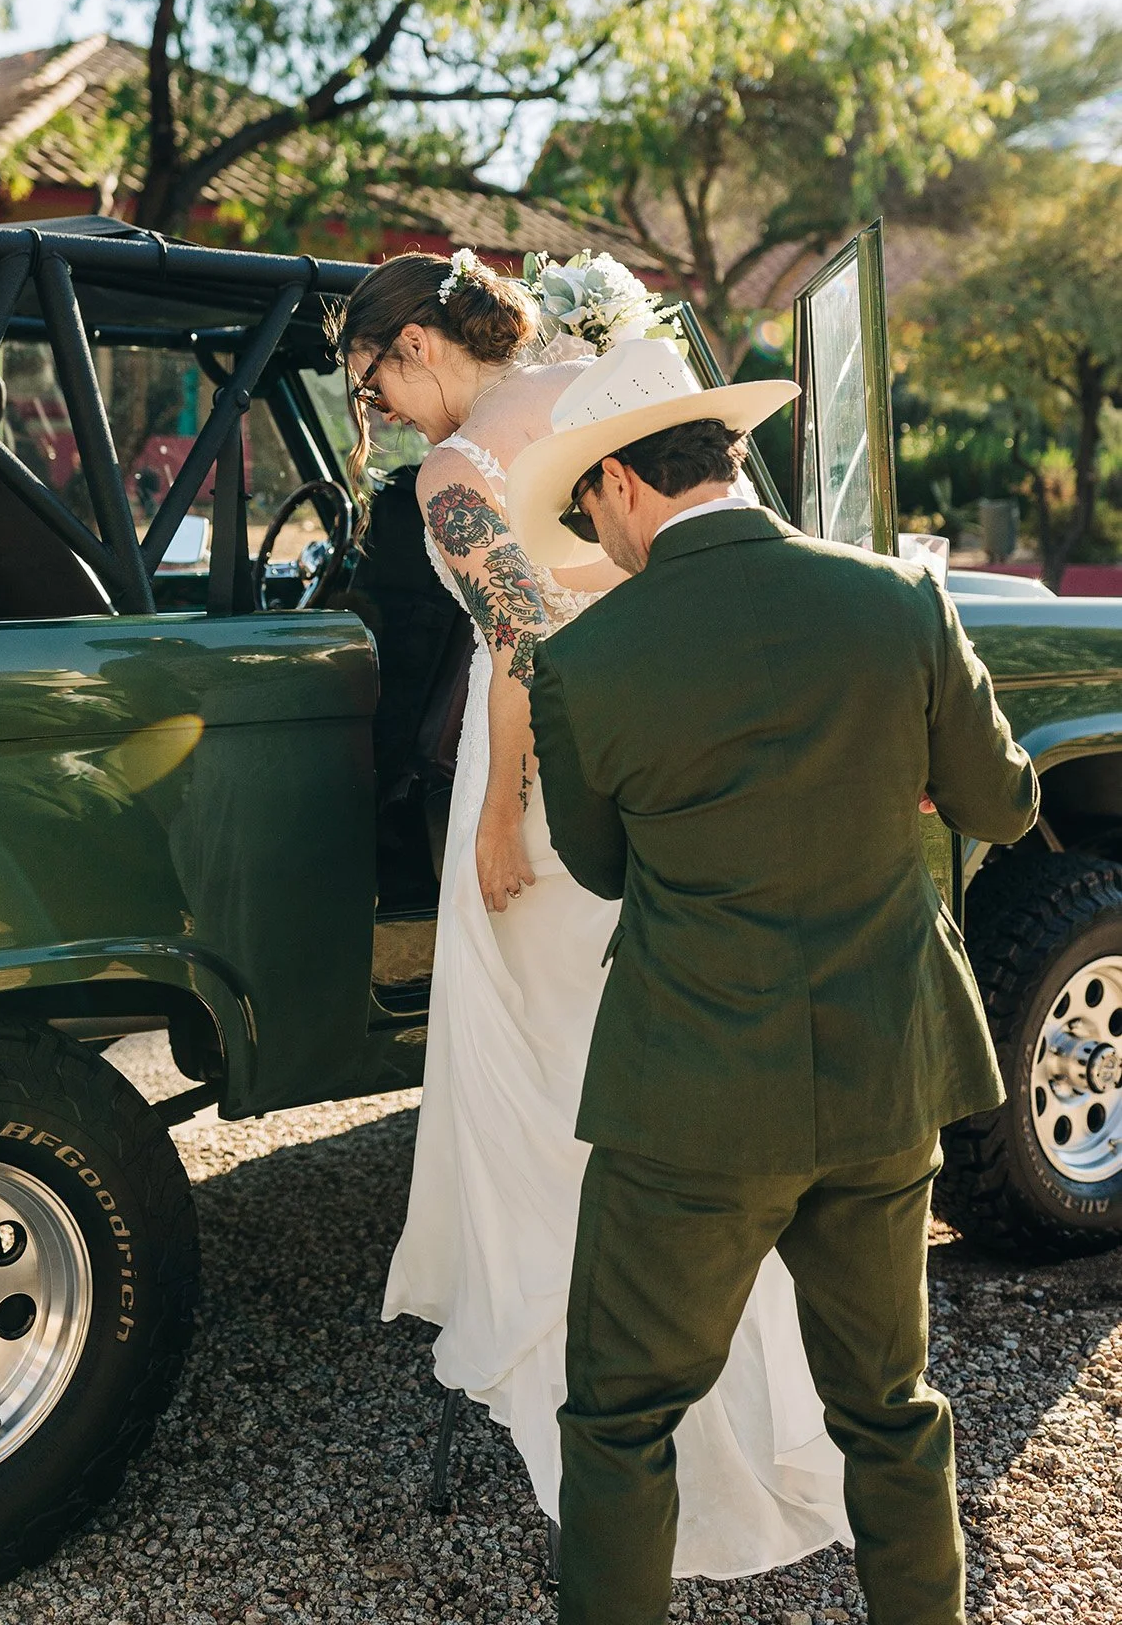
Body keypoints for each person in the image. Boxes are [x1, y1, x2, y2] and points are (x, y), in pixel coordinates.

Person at [504, 336, 1041, 1625]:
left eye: (591, 509)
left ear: (627, 484)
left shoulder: (585, 663)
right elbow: (1005, 805)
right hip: (883, 1079)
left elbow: (599, 864)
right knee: (892, 1406)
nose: (598, 537)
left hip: (691, 1101)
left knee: (623, 1415)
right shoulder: (902, 600)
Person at [334, 249, 854, 1581]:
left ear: (420, 346)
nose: (380, 411)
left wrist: (504, 810)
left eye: (373, 380)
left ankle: (599, 1382)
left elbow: (522, 645)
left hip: (552, 789)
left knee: (553, 1098)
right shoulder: (621, 383)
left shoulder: (454, 481)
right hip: (672, 772)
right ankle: (730, 1376)